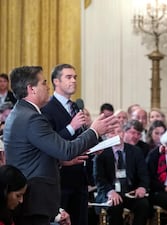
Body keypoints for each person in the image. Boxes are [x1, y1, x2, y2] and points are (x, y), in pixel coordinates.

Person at [3, 66, 117, 225]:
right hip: (35, 198)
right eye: (43, 83)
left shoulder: (21, 112)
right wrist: (94, 131)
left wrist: (60, 162)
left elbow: (32, 154)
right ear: (32, 89)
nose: (47, 86)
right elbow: (66, 150)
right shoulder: (32, 118)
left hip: (33, 196)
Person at [41, 63, 90, 225]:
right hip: (61, 179)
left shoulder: (75, 106)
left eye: (75, 77)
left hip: (80, 178)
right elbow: (49, 142)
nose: (74, 81)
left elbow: (79, 138)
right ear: (56, 81)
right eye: (68, 77)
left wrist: (93, 146)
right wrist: (71, 127)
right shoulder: (47, 109)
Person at [94, 125, 151, 225]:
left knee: (143, 205)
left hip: (130, 191)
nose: (117, 135)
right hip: (109, 191)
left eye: (119, 132)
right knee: (115, 204)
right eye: (112, 132)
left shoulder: (135, 151)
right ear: (106, 136)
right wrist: (110, 192)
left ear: (124, 133)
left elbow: (144, 175)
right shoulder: (101, 153)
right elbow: (99, 178)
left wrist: (142, 187)